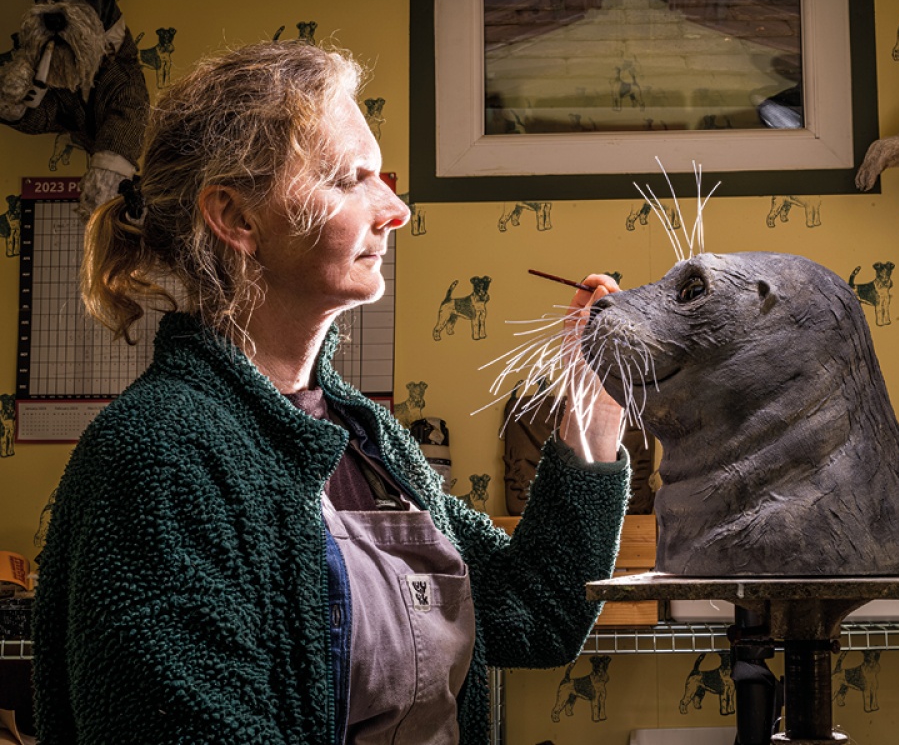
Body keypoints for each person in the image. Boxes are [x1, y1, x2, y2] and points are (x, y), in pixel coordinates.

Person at [32, 40, 631, 745]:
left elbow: (536, 613)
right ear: (237, 218)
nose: (397, 209)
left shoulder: (367, 440)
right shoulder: (159, 456)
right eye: (352, 179)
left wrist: (593, 406)